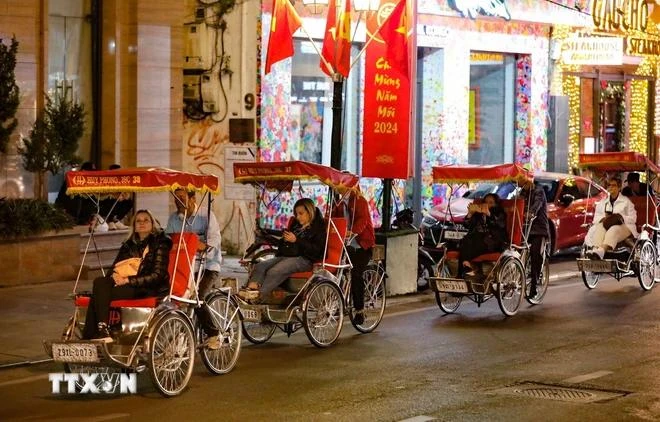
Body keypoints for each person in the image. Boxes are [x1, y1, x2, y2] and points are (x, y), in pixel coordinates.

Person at [82, 209, 172, 341]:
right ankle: (102, 329)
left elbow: (157, 275)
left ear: (153, 224)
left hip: (148, 287)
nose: (142, 223)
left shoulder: (160, 242)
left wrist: (128, 280)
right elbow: (114, 268)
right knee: (100, 283)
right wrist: (113, 279)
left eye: (146, 220)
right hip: (126, 284)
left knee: (99, 295)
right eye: (138, 221)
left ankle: (91, 335)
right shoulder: (128, 244)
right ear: (134, 225)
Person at [166, 188, 223, 349]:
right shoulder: (174, 219)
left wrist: (198, 245)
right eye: (176, 198)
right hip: (184, 265)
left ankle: (214, 334)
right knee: (173, 297)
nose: (178, 201)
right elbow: (169, 240)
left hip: (208, 265)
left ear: (192, 198)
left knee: (197, 298)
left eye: (182, 197)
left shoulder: (206, 215)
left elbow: (214, 239)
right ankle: (182, 333)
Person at [239, 198, 326, 303]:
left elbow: (317, 250)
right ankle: (251, 291)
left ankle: (258, 296)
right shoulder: (296, 224)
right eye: (296, 214)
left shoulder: (319, 227)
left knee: (274, 271)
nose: (298, 217)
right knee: (260, 266)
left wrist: (296, 240)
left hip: (305, 259)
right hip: (288, 256)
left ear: (310, 212)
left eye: (301, 213)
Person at [334, 190, 375, 326]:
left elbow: (363, 220)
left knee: (356, 273)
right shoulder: (339, 203)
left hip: (362, 245)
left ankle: (359, 310)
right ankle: (336, 302)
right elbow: (332, 219)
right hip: (346, 245)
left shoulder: (360, 201)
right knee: (335, 269)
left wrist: (353, 231)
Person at [585, 175, 638, 259]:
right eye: (609, 185)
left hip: (625, 227)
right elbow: (596, 219)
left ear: (619, 188)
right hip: (607, 224)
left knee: (614, 229)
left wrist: (621, 217)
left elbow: (633, 218)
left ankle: (602, 250)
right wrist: (604, 219)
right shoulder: (603, 202)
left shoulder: (626, 202)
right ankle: (595, 250)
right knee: (600, 227)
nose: (611, 187)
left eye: (614, 185)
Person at [459, 193, 507, 277]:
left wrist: (489, 214)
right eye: (486, 202)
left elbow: (500, 225)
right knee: (464, 241)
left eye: (491, 202)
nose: (487, 204)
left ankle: (471, 266)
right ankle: (466, 266)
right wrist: (470, 214)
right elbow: (466, 225)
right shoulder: (478, 213)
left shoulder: (499, 213)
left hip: (493, 241)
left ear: (496, 204)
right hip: (476, 239)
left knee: (472, 241)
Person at [521, 179, 550, 298]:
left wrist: (531, 213)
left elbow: (537, 204)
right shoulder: (523, 192)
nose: (522, 186)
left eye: (524, 183)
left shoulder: (539, 191)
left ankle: (535, 286)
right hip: (525, 228)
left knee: (535, 255)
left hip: (539, 229)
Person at [100, 164, 133, 230]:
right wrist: (113, 195)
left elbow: (126, 194)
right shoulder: (105, 179)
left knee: (129, 202)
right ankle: (111, 221)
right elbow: (102, 193)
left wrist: (123, 196)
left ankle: (116, 220)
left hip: (118, 201)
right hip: (104, 202)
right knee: (111, 200)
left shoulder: (122, 180)